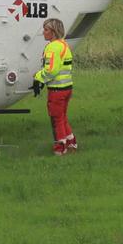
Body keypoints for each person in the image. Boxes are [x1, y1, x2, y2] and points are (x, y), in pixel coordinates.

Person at [32, 18, 76, 155]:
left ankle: (60, 149)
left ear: (53, 32)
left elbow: (51, 70)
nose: (43, 32)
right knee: (62, 117)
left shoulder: (52, 47)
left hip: (57, 90)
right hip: (67, 88)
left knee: (56, 119)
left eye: (46, 30)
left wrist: (38, 78)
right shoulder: (64, 45)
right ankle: (71, 144)